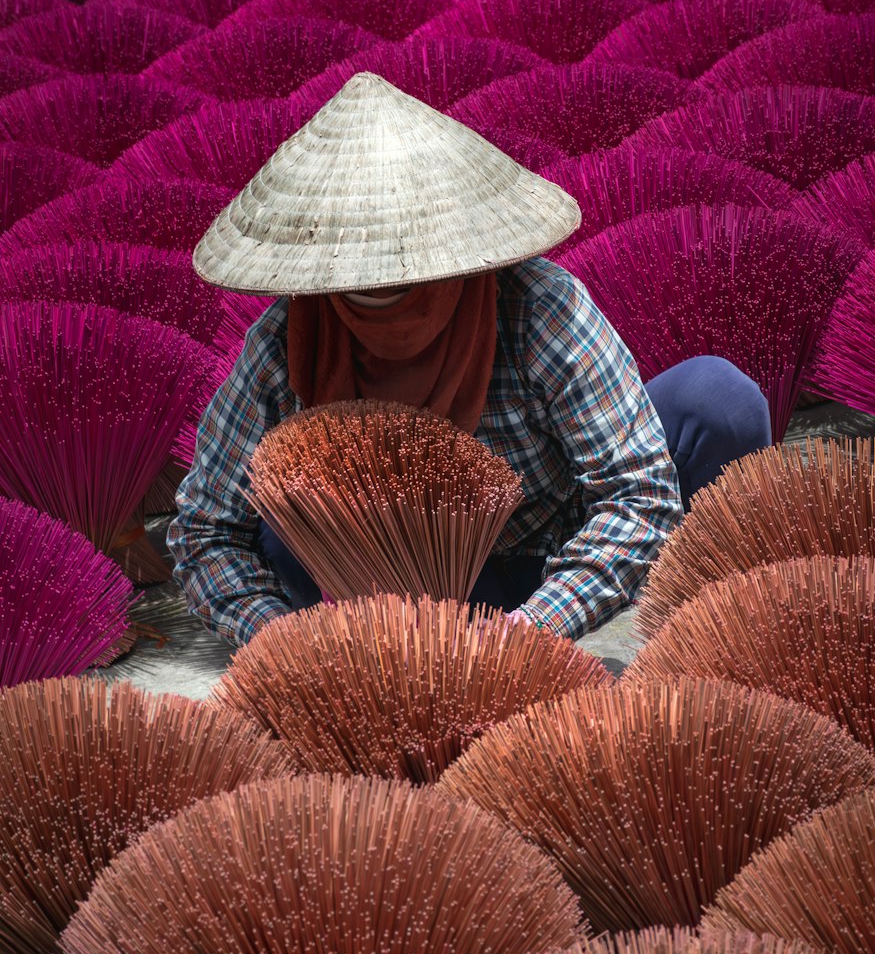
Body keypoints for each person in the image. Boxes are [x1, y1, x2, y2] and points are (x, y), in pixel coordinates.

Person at [168, 72, 771, 647]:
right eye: (360, 284)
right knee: (278, 528)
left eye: (409, 279)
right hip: (400, 588)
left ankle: (701, 624)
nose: (389, 299)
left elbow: (637, 494)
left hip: (558, 545)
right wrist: (278, 637)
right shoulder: (287, 344)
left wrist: (531, 630)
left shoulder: (538, 308)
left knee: (718, 400)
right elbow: (208, 529)